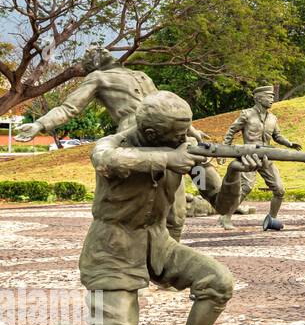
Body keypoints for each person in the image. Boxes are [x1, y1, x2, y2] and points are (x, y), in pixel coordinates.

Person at [42, 91, 240, 325]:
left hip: (159, 245)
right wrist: (170, 158)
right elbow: (107, 160)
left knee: (218, 281)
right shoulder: (113, 145)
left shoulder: (186, 153)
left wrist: (234, 172)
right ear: (150, 133)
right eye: (178, 134)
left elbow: (222, 204)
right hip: (112, 253)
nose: (185, 138)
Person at [14, 45, 219, 239]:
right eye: (93, 53)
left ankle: (167, 257)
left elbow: (168, 107)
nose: (98, 51)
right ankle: (130, 259)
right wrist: (40, 124)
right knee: (137, 201)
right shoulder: (99, 77)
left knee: (176, 209)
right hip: (135, 138)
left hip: (165, 134)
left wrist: (189, 130)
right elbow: (69, 108)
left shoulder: (140, 75)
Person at [222, 85, 302, 230]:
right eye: (269, 97)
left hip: (266, 157)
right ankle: (226, 217)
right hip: (249, 156)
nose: (272, 99)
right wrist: (225, 150)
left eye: (272, 97)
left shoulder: (272, 118)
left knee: (279, 190)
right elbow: (231, 131)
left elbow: (277, 136)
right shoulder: (246, 114)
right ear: (258, 98)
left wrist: (289, 143)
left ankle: (272, 219)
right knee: (245, 187)